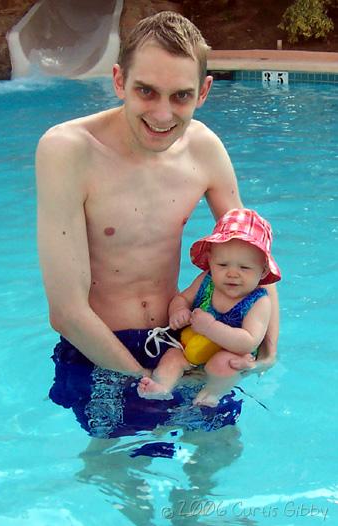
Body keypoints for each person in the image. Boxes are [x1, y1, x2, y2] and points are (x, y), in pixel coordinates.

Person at [36, 11, 279, 384]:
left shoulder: (203, 148)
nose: (163, 114)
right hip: (98, 350)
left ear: (203, 92)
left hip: (177, 342)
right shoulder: (69, 151)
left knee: (222, 441)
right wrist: (145, 380)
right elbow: (66, 311)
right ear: (119, 81)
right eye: (146, 91)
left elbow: (254, 251)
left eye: (181, 96)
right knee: (115, 445)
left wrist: (267, 351)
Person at [138, 208, 281, 406]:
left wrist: (209, 328)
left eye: (245, 268)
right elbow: (182, 298)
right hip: (193, 347)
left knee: (224, 364)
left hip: (229, 354)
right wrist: (179, 311)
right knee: (172, 356)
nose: (232, 273)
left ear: (263, 270)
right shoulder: (207, 280)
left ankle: (213, 391)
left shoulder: (259, 301)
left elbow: (248, 341)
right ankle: (161, 387)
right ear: (211, 261)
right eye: (222, 265)